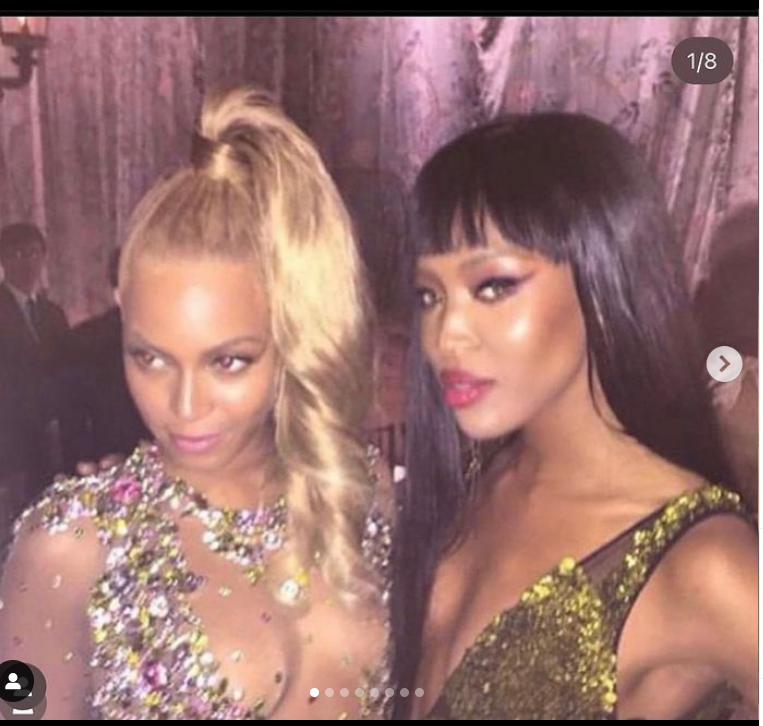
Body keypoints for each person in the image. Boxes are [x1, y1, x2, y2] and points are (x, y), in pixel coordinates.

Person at [0, 88, 392, 720]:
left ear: (295, 339)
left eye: (228, 361)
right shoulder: (70, 543)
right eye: (149, 357)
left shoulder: (361, 493)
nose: (183, 407)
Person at [391, 113, 758, 719]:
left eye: (492, 286)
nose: (446, 333)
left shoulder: (703, 563)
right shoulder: (477, 479)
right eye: (429, 295)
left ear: (604, 279)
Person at [0, 223, 69, 515]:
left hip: (51, 436)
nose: (27, 262)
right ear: (3, 259)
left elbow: (66, 371)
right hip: (9, 438)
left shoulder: (53, 313)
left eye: (33, 253)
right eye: (17, 254)